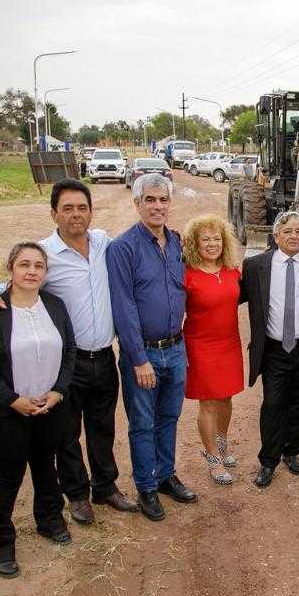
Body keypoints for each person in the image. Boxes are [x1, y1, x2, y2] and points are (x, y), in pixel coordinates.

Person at [0, 179, 138, 523]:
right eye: (67, 208)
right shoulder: (46, 255)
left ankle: (106, 487)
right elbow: (21, 279)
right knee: (66, 433)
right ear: (54, 213)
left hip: (105, 355)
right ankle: (77, 495)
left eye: (82, 208)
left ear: (91, 211)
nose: (76, 215)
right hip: (70, 362)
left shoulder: (104, 244)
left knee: (103, 427)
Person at [0, 242, 76, 579]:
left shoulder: (55, 305)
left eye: (38, 266)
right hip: (6, 412)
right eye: (24, 264)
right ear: (10, 268)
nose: (31, 271)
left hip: (50, 407)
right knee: (9, 475)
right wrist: (12, 399)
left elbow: (69, 350)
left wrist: (58, 392)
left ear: (45, 273)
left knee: (46, 465)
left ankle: (50, 520)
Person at [107, 173, 196, 521]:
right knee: (142, 423)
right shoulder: (123, 248)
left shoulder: (175, 243)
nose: (158, 206)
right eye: (150, 200)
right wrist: (138, 359)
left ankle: (165, 476)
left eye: (163, 200)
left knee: (169, 418)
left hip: (175, 349)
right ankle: (146, 486)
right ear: (137, 203)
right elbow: (124, 306)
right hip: (141, 354)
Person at [240, 211, 299, 489]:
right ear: (275, 236)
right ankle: (268, 461)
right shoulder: (255, 266)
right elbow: (229, 295)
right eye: (287, 232)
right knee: (273, 404)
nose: (294, 236)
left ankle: (292, 451)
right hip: (274, 349)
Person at [181, 213, 244, 486]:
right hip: (201, 345)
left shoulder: (233, 271)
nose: (211, 244)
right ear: (195, 243)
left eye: (216, 238)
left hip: (229, 343)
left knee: (226, 397)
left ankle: (222, 445)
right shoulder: (188, 276)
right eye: (205, 239)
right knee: (208, 403)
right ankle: (212, 458)